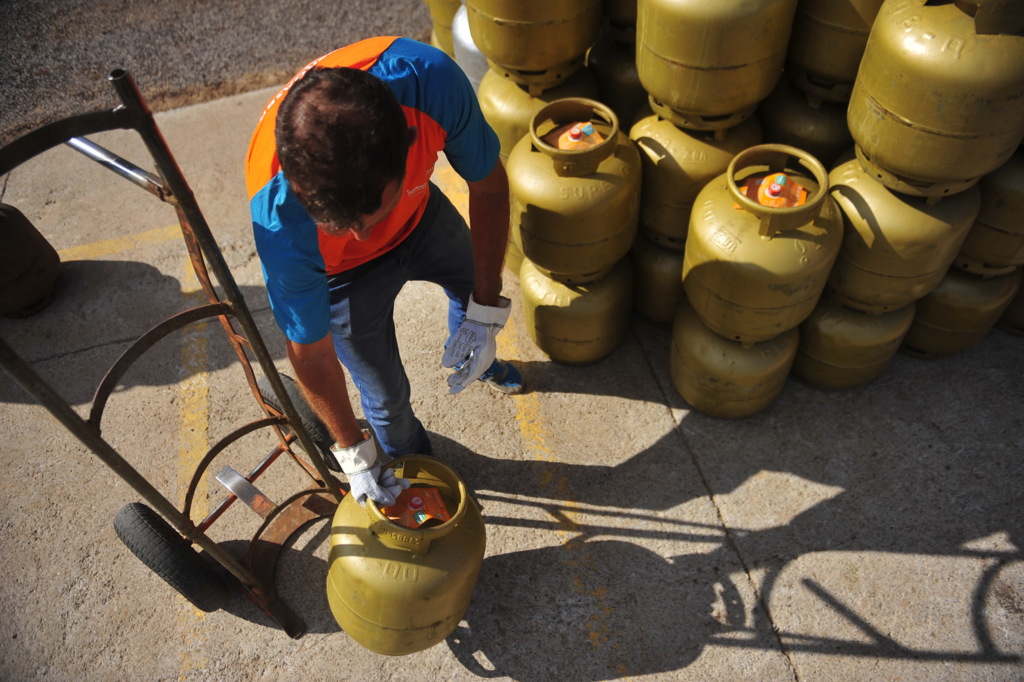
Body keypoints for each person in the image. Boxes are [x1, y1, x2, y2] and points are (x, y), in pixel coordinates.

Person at [245, 36, 521, 507]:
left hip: (421, 217)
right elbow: (311, 354)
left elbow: (490, 188)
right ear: (299, 191)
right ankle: (417, 467)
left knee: (473, 284)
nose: (362, 238)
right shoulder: (279, 224)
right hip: (340, 277)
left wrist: (486, 309)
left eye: (370, 216)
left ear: (408, 146)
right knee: (387, 399)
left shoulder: (431, 85)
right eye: (340, 225)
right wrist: (354, 454)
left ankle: (476, 349)